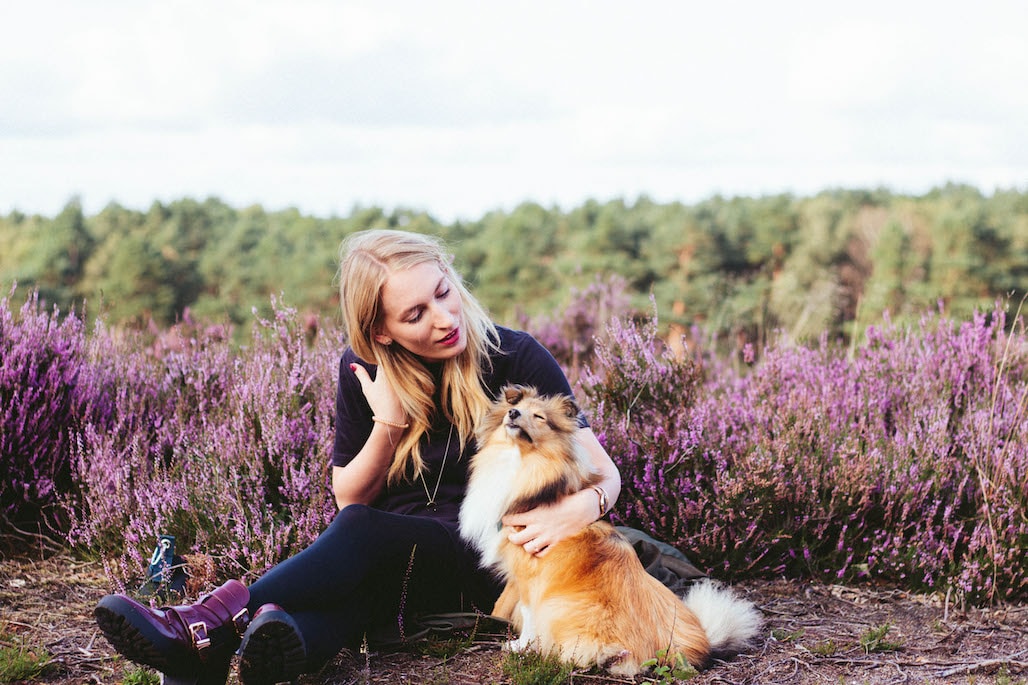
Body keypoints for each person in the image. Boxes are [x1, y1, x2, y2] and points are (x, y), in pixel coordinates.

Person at [94, 229, 622, 685]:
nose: (443, 319)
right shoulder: (363, 372)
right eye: (415, 314)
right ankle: (230, 659)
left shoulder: (515, 356)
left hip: (485, 553)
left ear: (450, 275)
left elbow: (605, 471)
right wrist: (388, 423)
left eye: (443, 293)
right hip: (393, 554)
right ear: (381, 332)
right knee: (345, 599)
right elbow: (351, 493)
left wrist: (578, 508)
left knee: (360, 533)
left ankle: (201, 626)